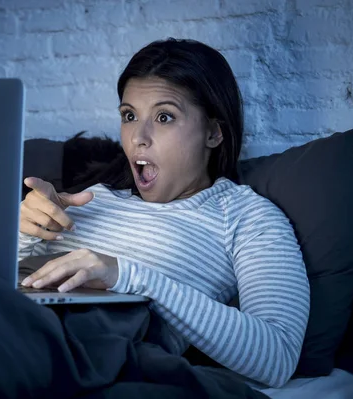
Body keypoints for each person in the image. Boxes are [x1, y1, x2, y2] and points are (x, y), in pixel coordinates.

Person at [18, 38, 310, 389]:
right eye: (129, 116)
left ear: (213, 133)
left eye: (164, 117)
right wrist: (24, 232)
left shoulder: (246, 217)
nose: (138, 138)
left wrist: (125, 274)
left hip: (97, 345)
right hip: (17, 317)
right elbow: (9, 279)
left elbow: (276, 358)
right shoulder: (91, 197)